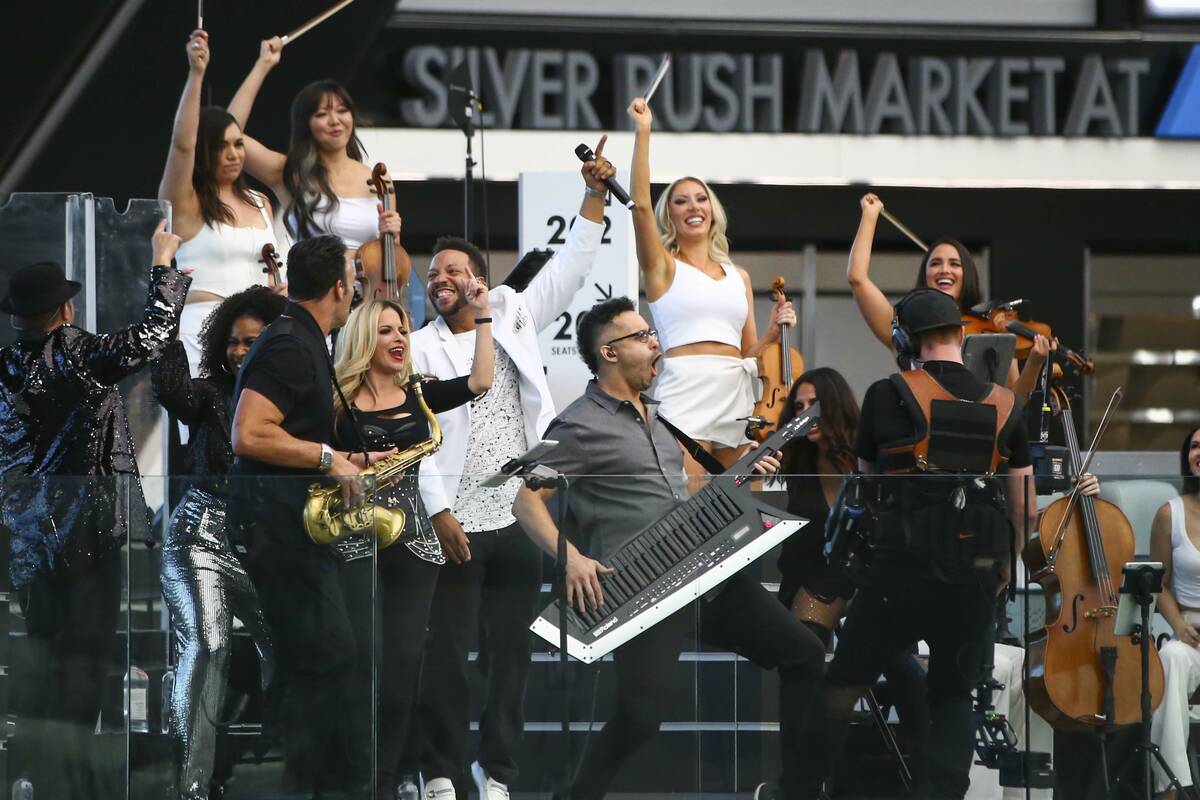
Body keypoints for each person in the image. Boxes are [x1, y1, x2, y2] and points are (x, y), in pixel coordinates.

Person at [512, 296, 826, 800]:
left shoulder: (659, 419)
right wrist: (571, 559)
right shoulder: (578, 424)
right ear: (609, 353)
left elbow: (683, 500)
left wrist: (743, 473)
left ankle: (798, 792)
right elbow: (525, 503)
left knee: (806, 655)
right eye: (642, 336)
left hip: (701, 569)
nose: (655, 343)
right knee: (642, 715)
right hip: (644, 587)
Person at [411, 142, 613, 800]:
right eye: (432, 275)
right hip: (452, 518)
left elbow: (573, 266)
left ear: (480, 277)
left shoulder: (515, 312)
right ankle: (438, 770)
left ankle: (494, 771)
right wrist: (437, 512)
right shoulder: (419, 346)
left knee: (511, 660)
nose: (439, 281)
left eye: (452, 272)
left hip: (515, 513)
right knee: (447, 659)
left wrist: (593, 194)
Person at [793, 288, 1037, 800]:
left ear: (907, 340)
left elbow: (865, 485)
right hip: (972, 574)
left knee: (844, 683)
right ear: (961, 336)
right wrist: (998, 572)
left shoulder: (887, 394)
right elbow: (1025, 509)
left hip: (895, 575)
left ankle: (793, 791)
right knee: (952, 698)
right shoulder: (1007, 405)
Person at [0, 222, 189, 800]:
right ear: (65, 307)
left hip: (26, 540)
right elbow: (154, 334)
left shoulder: (5, 367)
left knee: (46, 660)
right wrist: (163, 266)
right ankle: (68, 781)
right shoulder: (76, 352)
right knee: (87, 662)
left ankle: (38, 776)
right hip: (87, 533)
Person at [226, 233, 389, 796]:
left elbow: (285, 433)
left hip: (289, 527)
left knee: (328, 658)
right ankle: (303, 785)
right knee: (325, 658)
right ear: (340, 288)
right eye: (353, 280)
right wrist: (327, 458)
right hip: (277, 530)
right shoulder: (292, 344)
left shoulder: (303, 340)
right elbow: (248, 434)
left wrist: (347, 458)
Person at [331, 288, 493, 800]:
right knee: (362, 666)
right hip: (354, 539)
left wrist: (483, 316)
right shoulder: (335, 399)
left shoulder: (418, 391)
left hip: (415, 544)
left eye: (402, 329)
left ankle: (389, 781)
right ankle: (361, 778)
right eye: (385, 330)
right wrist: (354, 461)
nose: (399, 337)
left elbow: (479, 382)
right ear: (363, 340)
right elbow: (310, 456)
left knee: (402, 674)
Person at [150, 285, 285, 800]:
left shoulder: (290, 403)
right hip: (200, 533)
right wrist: (167, 299)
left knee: (290, 646)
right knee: (209, 645)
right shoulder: (209, 394)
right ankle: (189, 787)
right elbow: (168, 390)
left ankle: (269, 763)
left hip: (264, 542)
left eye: (252, 342)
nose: (239, 351)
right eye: (232, 341)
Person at [626, 95, 794, 477]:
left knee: (735, 509)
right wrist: (644, 132)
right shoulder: (663, 268)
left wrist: (772, 331)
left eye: (700, 198)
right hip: (685, 388)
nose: (693, 207)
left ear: (712, 209)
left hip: (734, 388)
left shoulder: (740, 276)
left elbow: (747, 352)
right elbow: (638, 204)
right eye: (681, 201)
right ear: (669, 214)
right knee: (689, 502)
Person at [161, 30, 284, 377]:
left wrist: (263, 64)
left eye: (238, 145)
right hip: (205, 334)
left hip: (262, 335)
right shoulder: (186, 203)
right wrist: (196, 74)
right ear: (204, 151)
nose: (233, 154)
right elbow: (181, 145)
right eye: (220, 146)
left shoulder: (261, 202)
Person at [227, 37, 406, 273]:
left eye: (342, 111)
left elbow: (392, 263)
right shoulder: (289, 171)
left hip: (365, 299)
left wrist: (392, 235)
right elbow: (228, 131)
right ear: (306, 124)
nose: (335, 121)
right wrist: (263, 65)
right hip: (311, 294)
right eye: (322, 114)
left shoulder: (377, 179)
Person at [847, 192, 1051, 398]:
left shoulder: (993, 332)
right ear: (924, 274)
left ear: (967, 274)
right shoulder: (905, 328)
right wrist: (870, 215)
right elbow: (857, 278)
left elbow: (1015, 402)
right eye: (935, 263)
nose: (944, 269)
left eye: (954, 264)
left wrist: (1034, 364)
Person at [1149, 424, 1200, 796]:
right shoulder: (1170, 513)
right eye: (1196, 446)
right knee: (1170, 659)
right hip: (1190, 632)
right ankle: (1173, 787)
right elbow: (1159, 585)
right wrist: (1180, 625)